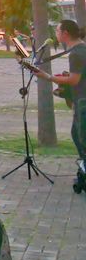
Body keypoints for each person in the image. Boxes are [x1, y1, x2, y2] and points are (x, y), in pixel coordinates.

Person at [27, 19, 85, 174]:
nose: (56, 34)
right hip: (80, 99)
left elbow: (74, 80)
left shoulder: (76, 53)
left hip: (82, 101)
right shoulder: (81, 49)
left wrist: (48, 76)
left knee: (80, 137)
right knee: (76, 133)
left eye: (58, 31)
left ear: (65, 33)